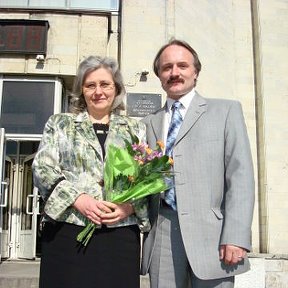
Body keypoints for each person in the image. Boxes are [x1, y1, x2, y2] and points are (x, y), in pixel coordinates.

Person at [141, 39, 255, 288]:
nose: (175, 73)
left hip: (214, 238)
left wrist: (236, 235)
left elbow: (241, 177)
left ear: (196, 71)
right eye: (167, 67)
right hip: (162, 233)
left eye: (182, 65)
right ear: (159, 75)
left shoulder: (226, 112)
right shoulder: (148, 122)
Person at [32, 55, 150, 288]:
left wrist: (128, 206)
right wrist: (78, 199)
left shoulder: (135, 129)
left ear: (116, 89)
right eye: (90, 85)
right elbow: (42, 167)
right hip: (68, 231)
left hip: (119, 234)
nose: (98, 91)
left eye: (105, 84)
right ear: (82, 91)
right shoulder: (60, 123)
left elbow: (145, 179)